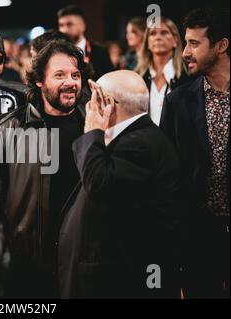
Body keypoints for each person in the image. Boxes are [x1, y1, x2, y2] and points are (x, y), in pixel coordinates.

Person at [59, 70, 181, 298]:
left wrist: (93, 130)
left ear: (108, 104)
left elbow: (98, 183)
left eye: (94, 98)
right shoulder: (140, 137)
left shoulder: (140, 144)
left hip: (127, 277)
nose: (88, 106)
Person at [0, 40, 87, 298]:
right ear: (40, 81)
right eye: (60, 75)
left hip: (81, 262)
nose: (70, 82)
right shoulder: (10, 128)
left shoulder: (93, 126)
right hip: (27, 263)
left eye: (75, 75)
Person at [160, 7, 230, 299]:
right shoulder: (177, 101)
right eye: (185, 42)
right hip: (199, 234)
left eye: (194, 43)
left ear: (221, 45)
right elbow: (165, 169)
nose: (185, 51)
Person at [135, 17, 189, 126]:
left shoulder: (188, 76)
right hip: (144, 140)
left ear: (176, 40)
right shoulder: (137, 77)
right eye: (153, 33)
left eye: (164, 33)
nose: (158, 37)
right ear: (147, 42)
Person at [57, 5, 113, 80]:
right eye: (61, 25)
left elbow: (109, 81)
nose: (64, 30)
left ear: (82, 26)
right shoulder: (57, 53)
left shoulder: (100, 52)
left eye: (69, 24)